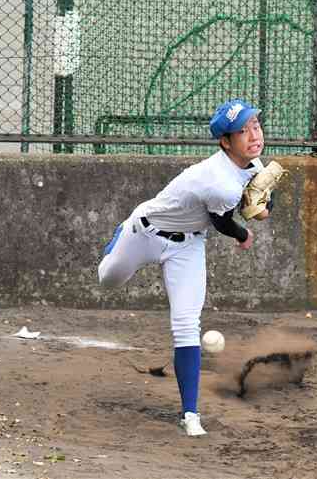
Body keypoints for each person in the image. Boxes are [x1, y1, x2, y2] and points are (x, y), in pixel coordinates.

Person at [98, 98, 271, 435]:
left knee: (187, 324)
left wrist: (263, 203)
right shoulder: (216, 179)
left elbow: (261, 202)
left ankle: (190, 414)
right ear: (225, 141)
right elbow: (222, 222)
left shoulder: (252, 164)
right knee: (108, 280)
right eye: (243, 131)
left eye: (256, 126)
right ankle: (116, 240)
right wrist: (245, 233)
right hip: (144, 231)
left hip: (188, 246)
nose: (254, 135)